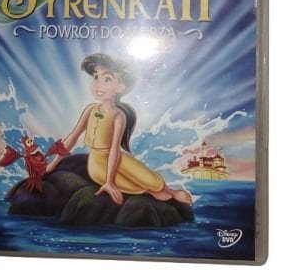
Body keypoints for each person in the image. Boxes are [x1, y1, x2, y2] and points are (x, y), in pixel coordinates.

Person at [46, 53, 192, 206]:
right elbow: (73, 136)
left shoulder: (118, 116)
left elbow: (115, 148)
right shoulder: (90, 110)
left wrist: (109, 181)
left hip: (117, 157)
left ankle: (170, 191)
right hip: (97, 162)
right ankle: (150, 192)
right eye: (96, 77)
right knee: (126, 183)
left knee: (149, 179)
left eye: (107, 79)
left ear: (120, 87)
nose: (98, 84)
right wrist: (53, 164)